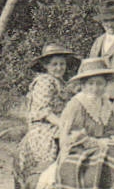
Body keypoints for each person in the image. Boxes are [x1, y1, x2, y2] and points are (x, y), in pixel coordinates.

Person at [13, 44, 76, 180]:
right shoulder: (44, 82)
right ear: (46, 66)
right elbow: (44, 111)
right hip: (45, 126)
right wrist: (63, 125)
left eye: (62, 64)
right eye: (54, 64)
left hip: (61, 123)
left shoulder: (62, 83)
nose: (59, 68)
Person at [56, 57, 114, 157]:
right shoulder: (77, 104)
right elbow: (72, 137)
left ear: (106, 84)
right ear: (83, 86)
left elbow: (111, 128)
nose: (95, 88)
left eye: (100, 83)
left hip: (101, 148)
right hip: (78, 151)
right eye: (90, 83)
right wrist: (98, 143)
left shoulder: (106, 103)